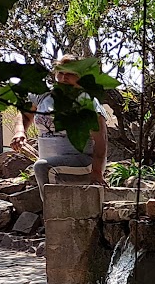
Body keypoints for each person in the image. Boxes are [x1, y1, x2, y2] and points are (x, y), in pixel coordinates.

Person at [15, 55, 110, 186]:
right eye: (61, 73)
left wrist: (97, 172)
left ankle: (50, 207)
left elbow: (101, 142)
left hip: (84, 165)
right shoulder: (44, 96)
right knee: (44, 168)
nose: (64, 77)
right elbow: (25, 114)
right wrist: (19, 132)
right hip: (51, 162)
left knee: (43, 168)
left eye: (70, 73)